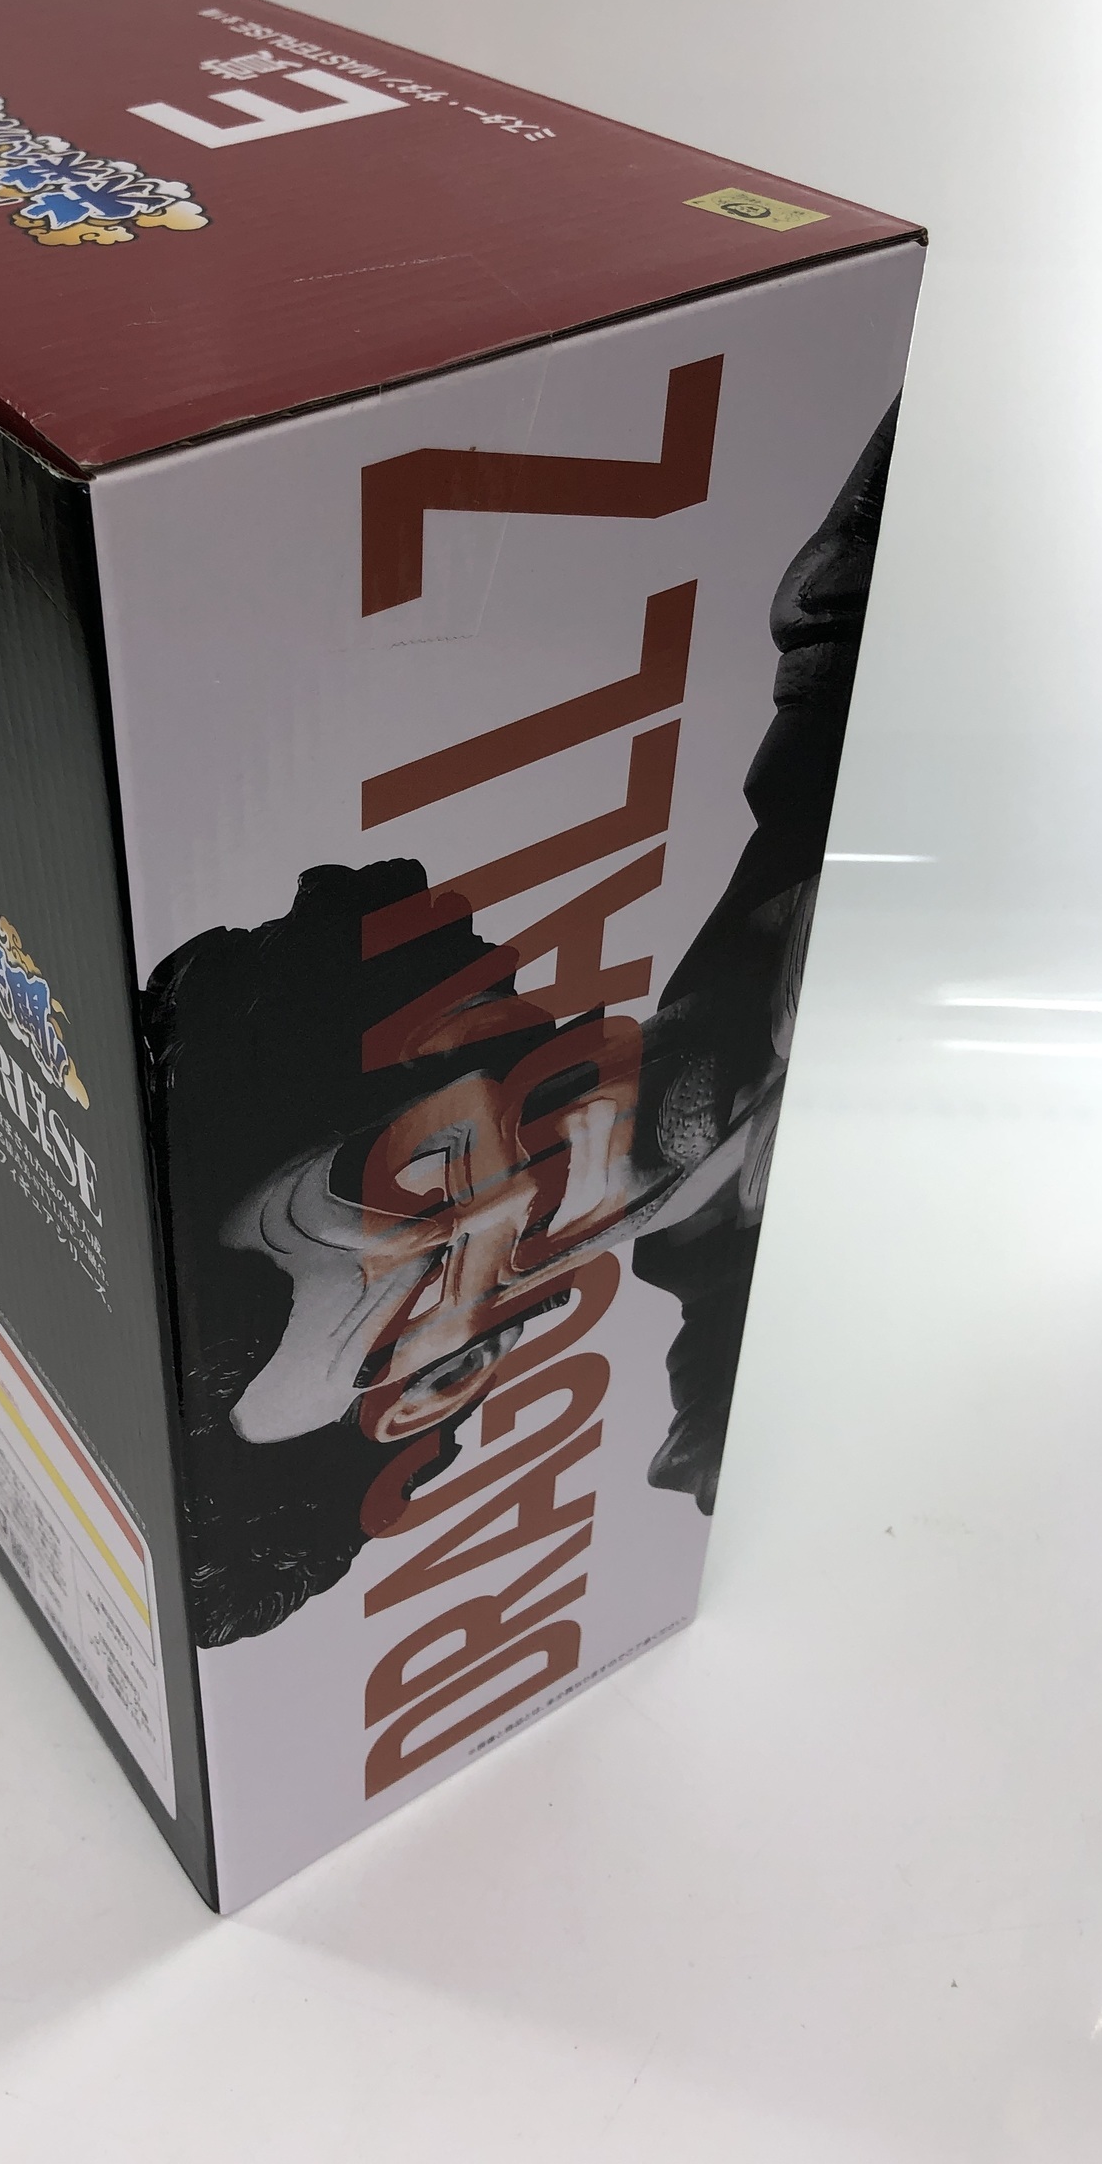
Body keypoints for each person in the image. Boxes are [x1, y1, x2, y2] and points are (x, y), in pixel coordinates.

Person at [143, 403, 900, 1647]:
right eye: (437, 1357)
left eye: (403, 1186)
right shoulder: (771, 1375)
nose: (508, 1227)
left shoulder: (848, 659)